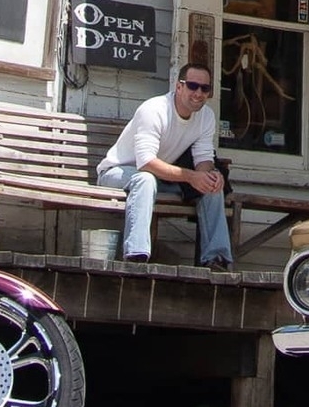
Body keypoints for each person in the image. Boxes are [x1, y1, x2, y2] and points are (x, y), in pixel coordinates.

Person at [96, 60, 234, 268]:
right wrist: (191, 176)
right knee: (145, 179)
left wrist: (209, 175)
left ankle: (216, 259)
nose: (198, 93)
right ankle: (136, 256)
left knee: (212, 186)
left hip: (158, 178)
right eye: (192, 86)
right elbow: (146, 163)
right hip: (116, 173)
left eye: (204, 88)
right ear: (179, 86)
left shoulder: (206, 117)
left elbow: (203, 158)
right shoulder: (154, 109)